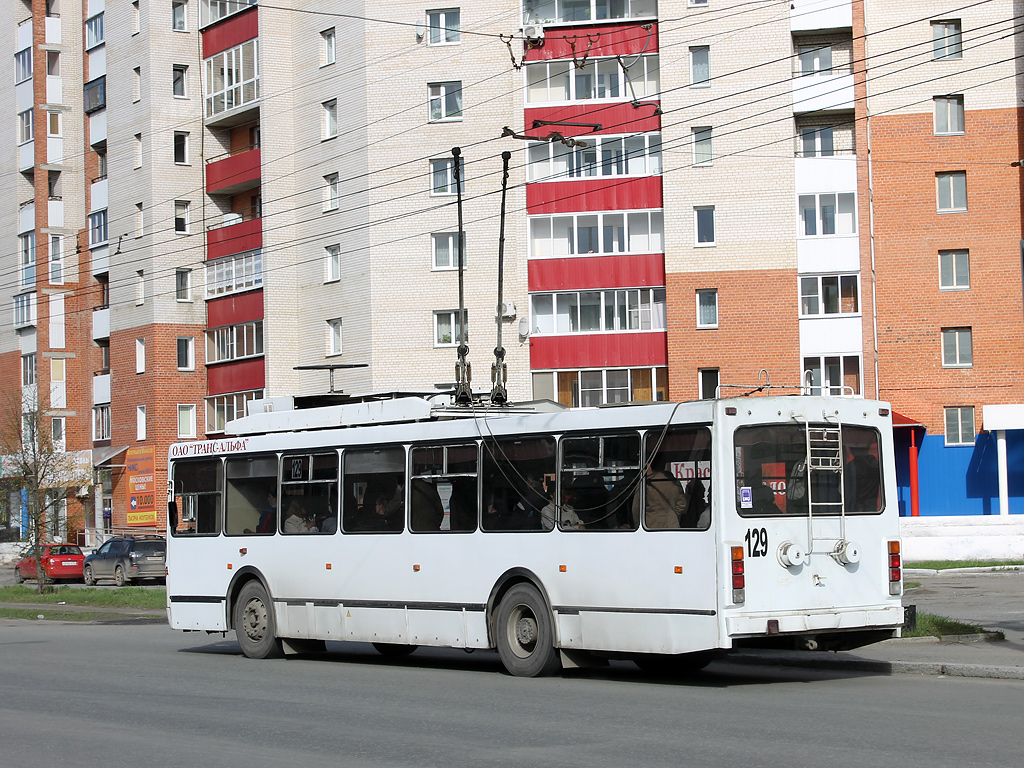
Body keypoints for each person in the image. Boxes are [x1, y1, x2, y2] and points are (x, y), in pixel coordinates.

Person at [632, 462, 685, 529]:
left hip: (650, 525)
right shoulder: (674, 481)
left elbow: (636, 509)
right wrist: (671, 514)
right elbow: (682, 504)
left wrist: (637, 525)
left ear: (650, 467)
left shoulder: (645, 483)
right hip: (672, 524)